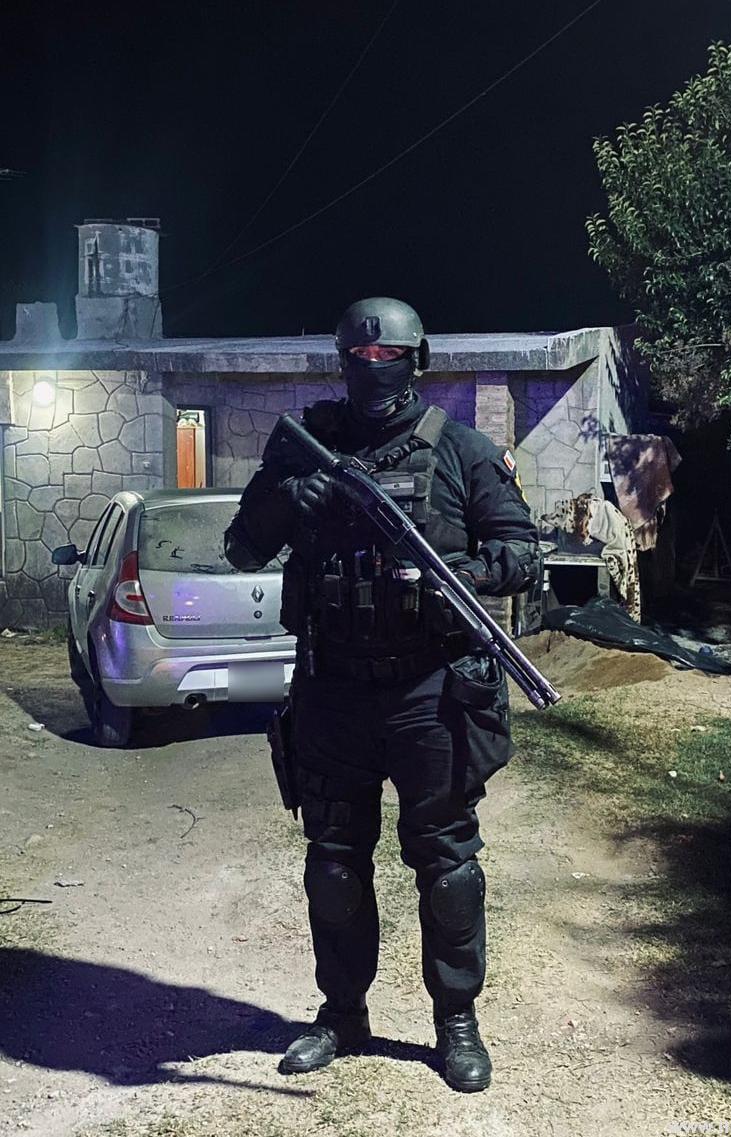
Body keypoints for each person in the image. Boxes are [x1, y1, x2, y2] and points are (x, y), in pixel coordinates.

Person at [224, 297, 540, 1093]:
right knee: (333, 864)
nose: (374, 369)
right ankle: (342, 1014)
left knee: (448, 865)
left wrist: (465, 573)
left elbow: (522, 551)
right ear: (342, 363)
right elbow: (242, 547)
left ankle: (456, 1021)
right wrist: (288, 500)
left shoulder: (461, 451)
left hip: (428, 692)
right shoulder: (305, 445)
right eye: (360, 358)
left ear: (416, 361)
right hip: (333, 691)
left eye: (388, 357)